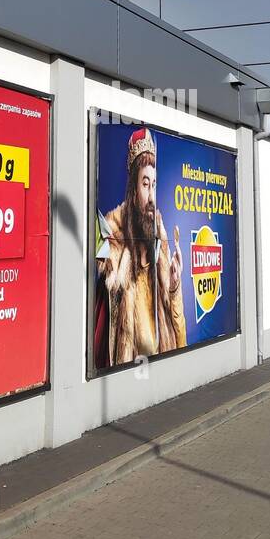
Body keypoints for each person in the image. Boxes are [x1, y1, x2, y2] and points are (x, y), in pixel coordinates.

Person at [93, 128, 186, 367]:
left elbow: (177, 330)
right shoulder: (113, 238)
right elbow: (106, 329)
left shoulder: (160, 240)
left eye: (154, 184)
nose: (152, 196)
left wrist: (174, 286)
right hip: (129, 371)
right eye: (146, 184)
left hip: (162, 365)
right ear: (134, 189)